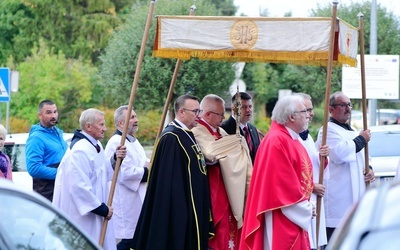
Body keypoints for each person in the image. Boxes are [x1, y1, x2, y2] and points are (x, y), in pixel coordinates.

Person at [132, 95, 214, 250]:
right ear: (181, 112)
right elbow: (169, 182)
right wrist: (182, 214)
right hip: (181, 211)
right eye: (195, 111)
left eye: (200, 111)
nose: (199, 115)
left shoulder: (187, 134)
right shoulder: (171, 138)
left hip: (195, 205)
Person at [240, 94, 315, 250]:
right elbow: (282, 186)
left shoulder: (290, 138)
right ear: (291, 117)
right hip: (281, 215)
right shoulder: (277, 141)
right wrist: (306, 208)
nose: (308, 115)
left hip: (293, 213)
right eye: (304, 112)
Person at [53, 108, 127, 250]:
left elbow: (101, 172)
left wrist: (115, 158)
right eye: (101, 125)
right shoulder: (80, 151)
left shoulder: (96, 145)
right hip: (83, 216)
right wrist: (101, 208)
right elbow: (78, 186)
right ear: (88, 126)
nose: (105, 129)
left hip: (95, 213)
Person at [192, 94, 252, 250]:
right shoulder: (198, 131)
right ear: (207, 114)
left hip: (229, 190)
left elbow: (230, 152)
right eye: (220, 114)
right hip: (214, 192)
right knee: (219, 235)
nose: (224, 117)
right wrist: (236, 142)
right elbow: (211, 152)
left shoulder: (221, 132)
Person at [315, 91, 375, 241]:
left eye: (349, 104)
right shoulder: (327, 130)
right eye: (343, 105)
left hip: (356, 195)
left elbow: (364, 157)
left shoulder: (353, 131)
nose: (348, 108)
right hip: (339, 198)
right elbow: (340, 153)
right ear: (331, 109)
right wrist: (362, 139)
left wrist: (370, 169)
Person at [104, 105, 149, 250]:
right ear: (121, 123)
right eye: (132, 117)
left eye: (135, 116)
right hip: (125, 199)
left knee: (137, 237)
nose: (136, 120)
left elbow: (144, 161)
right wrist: (147, 171)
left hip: (138, 196)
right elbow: (125, 173)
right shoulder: (117, 142)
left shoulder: (133, 140)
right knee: (128, 240)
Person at [295, 93, 329, 249]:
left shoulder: (307, 136)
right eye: (307, 110)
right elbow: (291, 172)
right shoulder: (292, 139)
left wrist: (322, 156)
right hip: (302, 200)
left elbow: (312, 164)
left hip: (314, 198)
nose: (312, 113)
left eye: (311, 109)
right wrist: (312, 186)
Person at [26, 100, 68, 201]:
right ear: (40, 115)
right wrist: (60, 173)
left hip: (59, 189)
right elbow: (33, 168)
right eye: (49, 112)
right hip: (46, 192)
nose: (53, 115)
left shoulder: (57, 132)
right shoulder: (36, 138)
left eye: (55, 112)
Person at [221, 92, 261, 164]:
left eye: (250, 106)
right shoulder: (223, 129)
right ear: (233, 109)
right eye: (244, 107)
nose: (248, 110)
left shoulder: (254, 130)